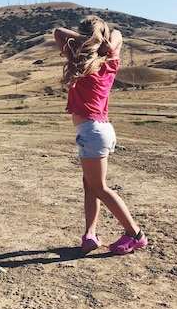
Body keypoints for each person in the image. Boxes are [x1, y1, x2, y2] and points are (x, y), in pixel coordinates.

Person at [54, 15, 147, 255]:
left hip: (93, 132)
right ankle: (90, 235)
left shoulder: (78, 59)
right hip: (99, 130)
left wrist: (90, 41)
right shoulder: (109, 61)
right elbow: (118, 35)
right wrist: (106, 42)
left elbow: (58, 32)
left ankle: (134, 234)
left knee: (100, 187)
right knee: (90, 186)